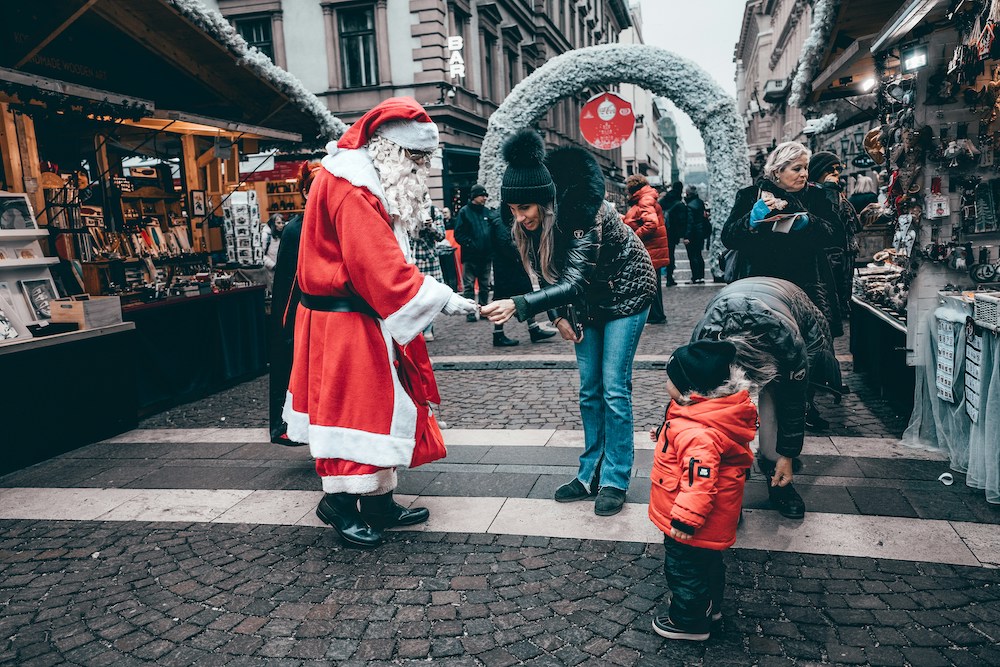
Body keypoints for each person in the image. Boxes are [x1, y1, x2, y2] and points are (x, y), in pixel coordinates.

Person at [283, 97, 478, 549]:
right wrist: (448, 300)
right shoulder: (354, 188)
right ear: (389, 150)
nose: (420, 170)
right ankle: (339, 502)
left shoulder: (359, 179)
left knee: (382, 406)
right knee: (355, 413)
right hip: (345, 319)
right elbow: (380, 269)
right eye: (416, 159)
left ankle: (376, 500)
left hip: (355, 314)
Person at [481, 129, 656, 517]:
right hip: (585, 301)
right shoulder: (523, 225)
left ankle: (614, 478)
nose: (519, 216)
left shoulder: (583, 211)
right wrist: (557, 316)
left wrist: (520, 305)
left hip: (626, 293)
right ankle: (588, 472)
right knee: (588, 390)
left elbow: (573, 279)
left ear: (545, 201)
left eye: (525, 208)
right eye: (512, 208)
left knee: (613, 388)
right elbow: (546, 274)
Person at [689, 277, 845, 519]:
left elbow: (793, 404)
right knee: (719, 404)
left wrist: (787, 456)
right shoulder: (707, 335)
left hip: (795, 308)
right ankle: (726, 484)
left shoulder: (791, 345)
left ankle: (777, 475)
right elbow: (697, 398)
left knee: (779, 396)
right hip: (732, 305)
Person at [648, 339, 757, 641]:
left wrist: (685, 520)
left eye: (670, 379)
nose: (666, 383)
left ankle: (690, 620)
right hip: (709, 519)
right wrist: (666, 434)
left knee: (683, 567)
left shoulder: (698, 433)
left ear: (688, 389)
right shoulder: (701, 414)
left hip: (692, 522)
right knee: (708, 564)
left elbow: (700, 480)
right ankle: (711, 607)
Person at [721, 140, 843, 338]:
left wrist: (809, 223)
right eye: (796, 169)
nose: (804, 174)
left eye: (805, 168)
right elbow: (728, 237)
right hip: (761, 288)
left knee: (811, 346)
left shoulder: (816, 196)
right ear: (778, 171)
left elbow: (836, 236)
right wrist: (750, 221)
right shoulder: (750, 196)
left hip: (808, 288)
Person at [268, 159, 322, 447]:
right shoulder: (294, 229)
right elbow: (288, 288)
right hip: (303, 317)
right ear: (304, 192)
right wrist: (288, 329)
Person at [487, 187, 558, 347]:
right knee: (503, 301)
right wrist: (523, 254)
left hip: (514, 266)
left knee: (524, 295)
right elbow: (506, 243)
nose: (518, 216)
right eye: (514, 209)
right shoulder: (500, 220)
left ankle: (533, 329)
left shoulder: (503, 218)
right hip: (507, 268)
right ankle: (498, 335)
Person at [809, 152, 861, 322]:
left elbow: (852, 226)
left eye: (838, 169)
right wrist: (830, 189)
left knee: (843, 298)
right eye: (830, 170)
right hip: (830, 258)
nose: (836, 173)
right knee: (830, 304)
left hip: (846, 256)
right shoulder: (815, 194)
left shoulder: (837, 193)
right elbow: (831, 224)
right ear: (819, 171)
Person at [624, 174, 669, 324]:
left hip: (650, 249)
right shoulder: (645, 198)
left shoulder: (645, 200)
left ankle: (656, 315)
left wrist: (634, 237)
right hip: (652, 248)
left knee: (651, 283)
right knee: (651, 282)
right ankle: (656, 314)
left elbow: (650, 224)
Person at [454, 183, 494, 321]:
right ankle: (470, 313)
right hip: (470, 256)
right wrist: (471, 244)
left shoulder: (487, 211)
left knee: (485, 286)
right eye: (482, 195)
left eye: (485, 195)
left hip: (486, 256)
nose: (485, 198)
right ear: (474, 196)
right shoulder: (464, 212)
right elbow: (458, 234)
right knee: (469, 286)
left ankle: (483, 311)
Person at [410, 204, 448, 341]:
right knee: (414, 297)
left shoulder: (433, 210)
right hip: (411, 258)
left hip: (430, 259)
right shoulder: (406, 208)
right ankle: (418, 329)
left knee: (430, 297)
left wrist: (430, 226)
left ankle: (427, 327)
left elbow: (441, 236)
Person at [659, 182, 689, 287]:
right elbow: (681, 220)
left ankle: (662, 275)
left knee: (663, 254)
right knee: (670, 254)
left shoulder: (663, 200)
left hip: (662, 231)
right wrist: (682, 234)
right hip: (671, 233)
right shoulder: (678, 203)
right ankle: (669, 277)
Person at [682, 186, 708, 284]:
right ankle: (701, 276)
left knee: (693, 256)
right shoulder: (700, 203)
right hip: (700, 233)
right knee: (699, 255)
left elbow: (690, 222)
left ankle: (695, 276)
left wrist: (687, 236)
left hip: (693, 235)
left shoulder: (689, 206)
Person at [261, 213, 285, 293]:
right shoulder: (266, 236)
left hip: (280, 271)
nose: (281, 225)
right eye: (278, 223)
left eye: (282, 223)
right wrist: (273, 265)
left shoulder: (281, 235)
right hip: (270, 271)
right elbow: (260, 255)